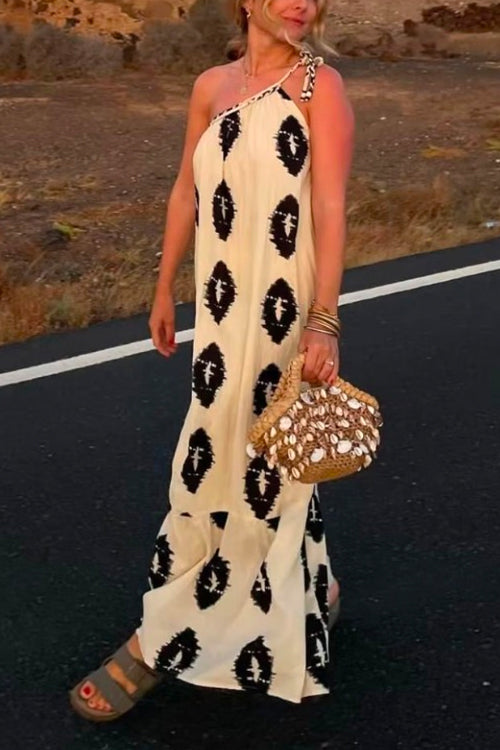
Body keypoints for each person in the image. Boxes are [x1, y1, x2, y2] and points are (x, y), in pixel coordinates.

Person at [69, 0, 355, 719]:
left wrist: (324, 321)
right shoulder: (210, 86)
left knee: (250, 454)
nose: (303, 3)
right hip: (222, 307)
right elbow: (186, 191)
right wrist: (165, 284)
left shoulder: (320, 87)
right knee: (247, 445)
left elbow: (329, 206)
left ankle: (163, 636)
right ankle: (313, 582)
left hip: (282, 307)